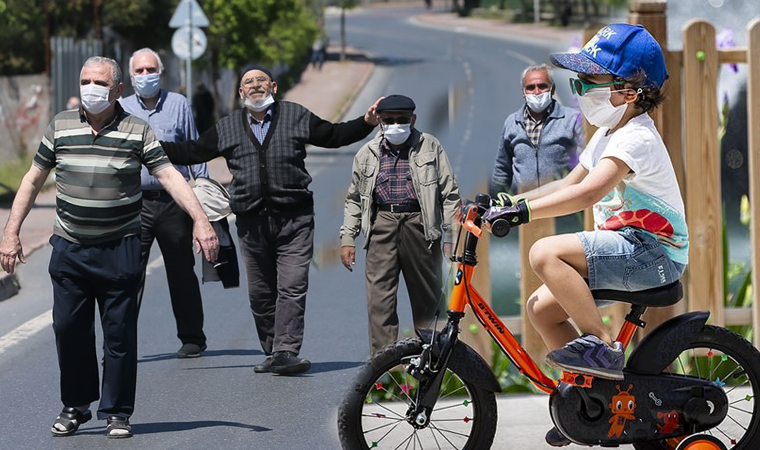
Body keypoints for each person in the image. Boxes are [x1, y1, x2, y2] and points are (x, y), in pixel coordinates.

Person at [481, 24, 688, 445]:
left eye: (588, 81)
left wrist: (524, 215)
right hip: (630, 250)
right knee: (540, 308)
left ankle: (603, 345)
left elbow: (589, 192)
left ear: (630, 92)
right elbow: (567, 183)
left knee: (544, 253)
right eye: (577, 81)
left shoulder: (637, 138)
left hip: (652, 253)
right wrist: (507, 203)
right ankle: (590, 406)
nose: (578, 90)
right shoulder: (608, 134)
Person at [0, 56, 218, 439]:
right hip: (69, 248)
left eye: (99, 82)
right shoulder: (61, 125)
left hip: (119, 249)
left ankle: (117, 411)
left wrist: (201, 220)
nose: (90, 88)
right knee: (69, 329)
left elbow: (168, 175)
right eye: (85, 80)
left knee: (118, 334)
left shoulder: (137, 129)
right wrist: (10, 232)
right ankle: (76, 405)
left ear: (118, 89)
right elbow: (34, 179)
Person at [160, 64, 382, 375]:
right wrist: (145, 146)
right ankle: (272, 350)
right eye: (247, 82)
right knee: (261, 294)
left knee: (292, 286)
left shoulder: (295, 116)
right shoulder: (227, 127)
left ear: (273, 87)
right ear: (240, 92)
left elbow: (334, 135)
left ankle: (286, 350)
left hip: (295, 219)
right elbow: (191, 151)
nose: (254, 85)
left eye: (260, 80)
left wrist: (366, 122)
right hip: (251, 224)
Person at [339, 94, 461, 355]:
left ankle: (433, 362)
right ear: (380, 122)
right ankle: (384, 370)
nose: (395, 125)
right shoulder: (366, 153)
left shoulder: (430, 146)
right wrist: (347, 239)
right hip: (382, 224)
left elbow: (449, 195)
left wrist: (451, 237)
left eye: (401, 120)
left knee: (428, 300)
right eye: (388, 120)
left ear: (413, 119)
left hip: (420, 225)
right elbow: (353, 199)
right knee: (379, 301)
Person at [121, 48, 210, 359]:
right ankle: (120, 343)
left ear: (161, 72)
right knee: (128, 274)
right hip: (134, 204)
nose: (146, 76)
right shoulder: (120, 108)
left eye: (151, 70)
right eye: (140, 71)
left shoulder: (179, 104)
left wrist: (204, 201)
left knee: (182, 271)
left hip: (174, 203)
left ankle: (192, 337)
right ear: (130, 77)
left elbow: (194, 149)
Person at [490, 63, 582, 197]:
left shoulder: (572, 119)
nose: (537, 92)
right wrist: (494, 204)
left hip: (560, 206)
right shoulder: (512, 122)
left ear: (552, 89)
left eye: (542, 86)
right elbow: (502, 169)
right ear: (523, 92)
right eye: (530, 87)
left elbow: (584, 163)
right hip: (521, 207)